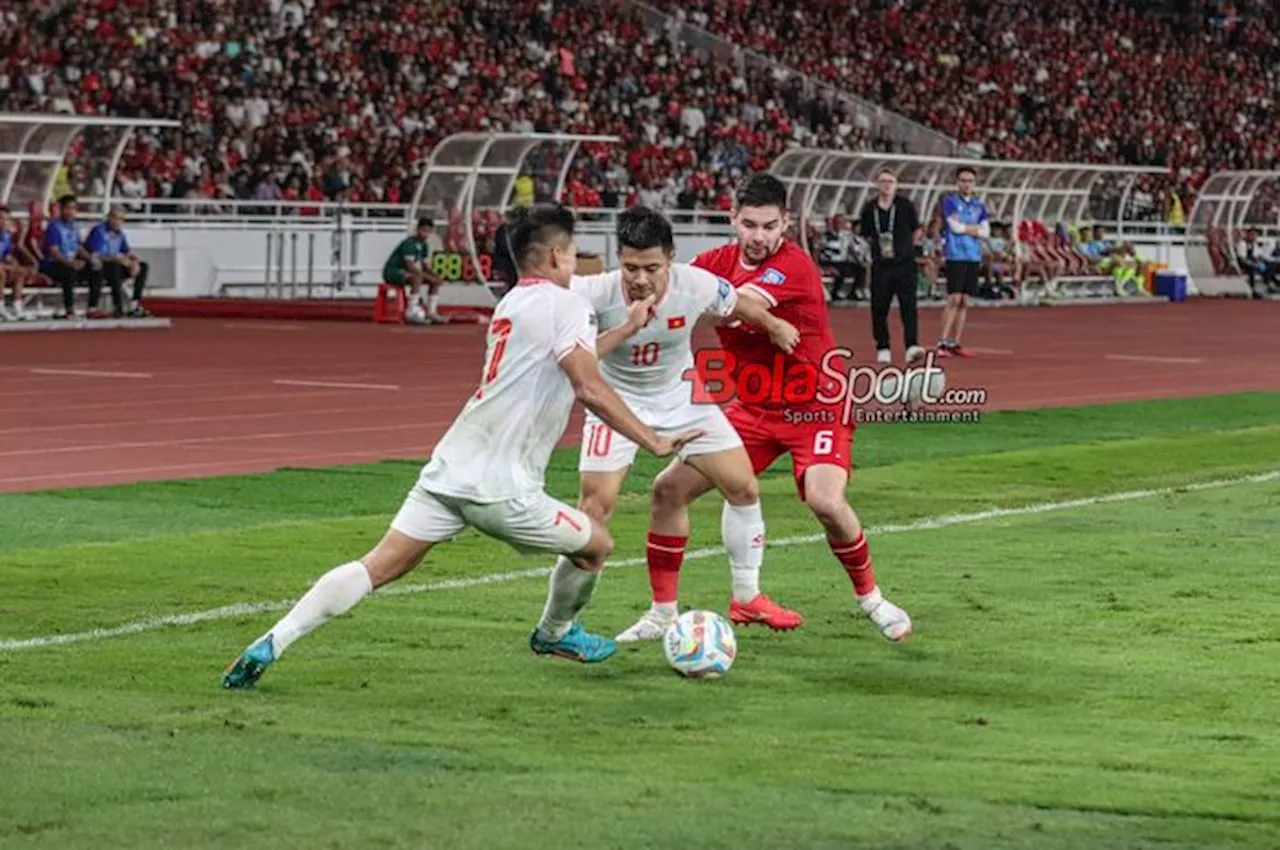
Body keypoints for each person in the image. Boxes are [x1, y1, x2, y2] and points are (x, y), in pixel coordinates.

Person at [221, 203, 704, 688]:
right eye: (574, 252)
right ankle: (555, 632)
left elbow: (566, 360)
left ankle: (272, 641)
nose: (577, 262)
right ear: (557, 255)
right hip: (502, 487)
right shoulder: (569, 305)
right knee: (596, 545)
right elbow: (588, 386)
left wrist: (624, 330)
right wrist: (653, 439)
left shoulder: (514, 302)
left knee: (378, 566)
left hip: (451, 469)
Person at [637, 173, 913, 642]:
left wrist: (680, 293)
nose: (759, 236)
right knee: (668, 490)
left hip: (816, 405)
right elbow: (668, 284)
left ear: (785, 222)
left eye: (769, 225)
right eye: (749, 225)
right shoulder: (715, 261)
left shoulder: (795, 265)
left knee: (826, 501)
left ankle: (872, 600)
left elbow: (740, 302)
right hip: (752, 407)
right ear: (733, 220)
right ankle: (664, 613)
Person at [568, 206, 805, 642]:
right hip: (617, 403)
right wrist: (624, 327)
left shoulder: (694, 285)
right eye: (631, 267)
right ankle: (590, 623)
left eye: (652, 268)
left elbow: (740, 303)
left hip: (682, 396)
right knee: (594, 511)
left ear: (671, 259)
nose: (640, 279)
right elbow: (580, 361)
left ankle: (747, 597)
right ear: (618, 258)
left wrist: (773, 324)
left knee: (744, 486)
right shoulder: (592, 293)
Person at [858, 169, 924, 364]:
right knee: (879, 308)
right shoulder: (870, 208)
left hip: (904, 264)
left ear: (896, 185)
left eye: (890, 182)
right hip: (881, 265)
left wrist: (906, 248)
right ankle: (883, 346)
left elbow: (916, 229)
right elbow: (866, 233)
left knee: (909, 307)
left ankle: (911, 345)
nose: (886, 185)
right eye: (883, 181)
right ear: (877, 185)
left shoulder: (905, 206)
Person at [937, 167, 990, 358]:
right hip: (955, 254)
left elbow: (986, 231)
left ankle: (955, 341)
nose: (966, 184)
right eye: (963, 180)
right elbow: (955, 227)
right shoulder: (950, 202)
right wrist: (973, 229)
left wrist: (968, 229)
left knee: (964, 300)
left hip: (973, 255)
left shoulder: (979, 205)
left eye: (970, 181)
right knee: (954, 298)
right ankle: (942, 342)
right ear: (957, 182)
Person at [85, 207, 152, 318]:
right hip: (99, 267)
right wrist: (118, 259)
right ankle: (118, 307)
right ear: (109, 217)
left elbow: (127, 251)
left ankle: (134, 305)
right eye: (114, 218)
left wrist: (134, 261)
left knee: (143, 266)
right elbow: (97, 255)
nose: (117, 221)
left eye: (120, 219)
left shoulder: (120, 234)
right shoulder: (99, 231)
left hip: (115, 264)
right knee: (114, 266)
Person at [39, 195, 94, 320]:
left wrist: (90, 259)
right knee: (68, 272)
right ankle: (69, 310)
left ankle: (92, 308)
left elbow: (79, 248)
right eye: (68, 208)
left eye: (74, 209)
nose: (71, 212)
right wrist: (71, 263)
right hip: (52, 264)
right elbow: (54, 252)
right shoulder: (54, 226)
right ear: (61, 209)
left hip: (71, 263)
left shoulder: (75, 226)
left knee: (95, 268)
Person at [382, 216, 446, 324]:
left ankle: (432, 311)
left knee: (435, 282)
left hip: (406, 272)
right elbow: (410, 266)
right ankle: (411, 311)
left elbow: (426, 266)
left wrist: (436, 276)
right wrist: (428, 277)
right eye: (423, 230)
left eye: (428, 231)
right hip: (393, 271)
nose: (425, 234)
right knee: (416, 278)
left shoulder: (424, 245)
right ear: (418, 229)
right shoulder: (410, 243)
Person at [0, 205, 35, 321]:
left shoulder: (6, 236)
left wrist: (15, 267)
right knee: (1, 273)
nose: (4, 222)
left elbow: (8, 257)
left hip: (2, 267)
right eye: (1, 219)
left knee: (19, 272)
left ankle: (17, 308)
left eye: (6, 219)